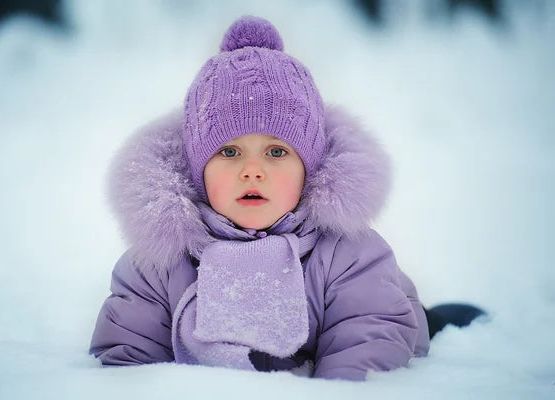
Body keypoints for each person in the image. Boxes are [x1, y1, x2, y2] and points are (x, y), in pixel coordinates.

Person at [89, 15, 485, 381]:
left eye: (276, 152)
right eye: (228, 152)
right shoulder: (158, 265)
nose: (252, 170)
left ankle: (432, 321)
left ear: (308, 169)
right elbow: (126, 362)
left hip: (372, 307)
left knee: (391, 302)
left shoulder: (349, 254)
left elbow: (368, 343)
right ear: (197, 170)